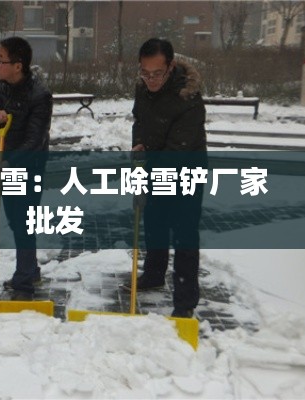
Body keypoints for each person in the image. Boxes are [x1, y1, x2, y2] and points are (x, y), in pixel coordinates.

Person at [122, 38, 207, 319]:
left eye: (157, 73)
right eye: (145, 73)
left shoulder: (188, 98)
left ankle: (185, 301)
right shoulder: (143, 88)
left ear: (170, 67)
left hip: (186, 171)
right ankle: (154, 274)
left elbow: (178, 150)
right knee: (154, 221)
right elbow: (139, 121)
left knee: (184, 233)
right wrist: (138, 144)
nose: (150, 79)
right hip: (154, 166)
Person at [0, 37, 52, 301]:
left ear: (18, 66)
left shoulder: (40, 95)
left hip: (30, 164)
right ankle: (31, 270)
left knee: (24, 222)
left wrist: (10, 163)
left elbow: (35, 139)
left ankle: (24, 284)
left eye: (1, 59)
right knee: (15, 219)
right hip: (5, 163)